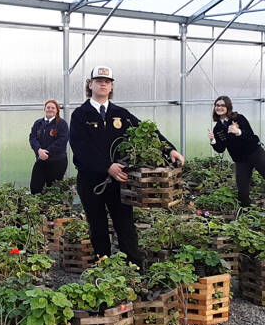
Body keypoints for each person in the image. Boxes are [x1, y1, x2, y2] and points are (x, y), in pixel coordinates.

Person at [69, 66, 184, 267]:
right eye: (98, 80)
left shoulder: (120, 114)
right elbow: (80, 148)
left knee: (125, 225)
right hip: (91, 181)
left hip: (120, 180)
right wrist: (106, 166)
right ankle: (104, 268)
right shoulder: (80, 115)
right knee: (97, 225)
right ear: (90, 84)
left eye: (107, 81)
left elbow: (148, 131)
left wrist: (169, 150)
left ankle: (134, 269)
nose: (103, 84)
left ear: (111, 86)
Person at [208, 95, 265, 207]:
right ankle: (245, 213)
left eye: (223, 105)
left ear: (228, 107)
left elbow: (251, 137)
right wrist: (213, 140)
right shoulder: (218, 128)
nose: (219, 107)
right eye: (217, 105)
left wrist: (238, 131)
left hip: (255, 154)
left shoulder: (238, 118)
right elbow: (220, 149)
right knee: (242, 190)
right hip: (240, 160)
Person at [28, 99, 69, 194]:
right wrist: (39, 151)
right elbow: (32, 138)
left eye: (53, 108)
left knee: (54, 189)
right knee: (35, 187)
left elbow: (62, 140)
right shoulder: (38, 123)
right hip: (41, 160)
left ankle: (55, 208)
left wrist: (46, 152)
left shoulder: (61, 124)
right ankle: (38, 208)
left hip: (57, 161)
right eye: (48, 107)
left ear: (57, 110)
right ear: (45, 109)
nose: (50, 109)